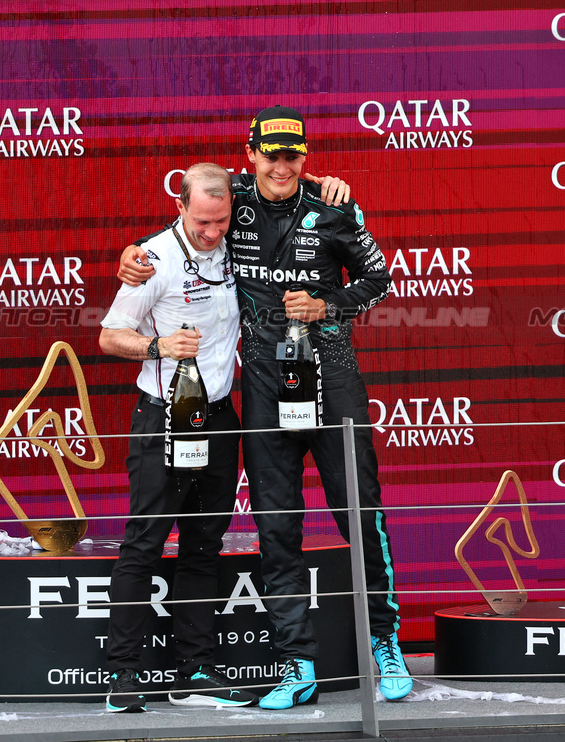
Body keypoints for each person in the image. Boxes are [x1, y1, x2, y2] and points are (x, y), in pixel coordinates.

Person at [119, 107, 411, 709]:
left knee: (360, 513)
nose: (282, 166)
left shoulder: (334, 205)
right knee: (277, 528)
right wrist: (131, 255)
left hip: (333, 383)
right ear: (249, 153)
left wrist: (326, 304)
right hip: (263, 391)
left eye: (293, 155)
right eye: (270, 154)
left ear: (306, 156)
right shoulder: (233, 198)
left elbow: (379, 279)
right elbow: (182, 227)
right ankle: (296, 661)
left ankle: (385, 642)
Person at [98, 163, 255, 712]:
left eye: (221, 220)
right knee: (143, 544)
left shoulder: (243, 245)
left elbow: (283, 181)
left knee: (202, 550)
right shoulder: (152, 260)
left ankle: (196, 674)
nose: (213, 231)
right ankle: (122, 677)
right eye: (202, 220)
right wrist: (157, 347)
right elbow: (109, 335)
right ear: (181, 206)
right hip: (162, 416)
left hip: (217, 415)